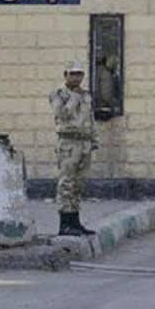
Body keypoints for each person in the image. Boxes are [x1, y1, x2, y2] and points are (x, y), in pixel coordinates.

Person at [50, 62, 98, 236]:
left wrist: (94, 139)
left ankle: (75, 222)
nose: (77, 77)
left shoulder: (86, 95)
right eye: (73, 74)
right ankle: (65, 224)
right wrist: (73, 99)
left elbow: (90, 118)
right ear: (66, 75)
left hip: (84, 142)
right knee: (67, 183)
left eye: (79, 74)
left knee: (78, 184)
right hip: (68, 142)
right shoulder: (59, 94)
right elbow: (61, 114)